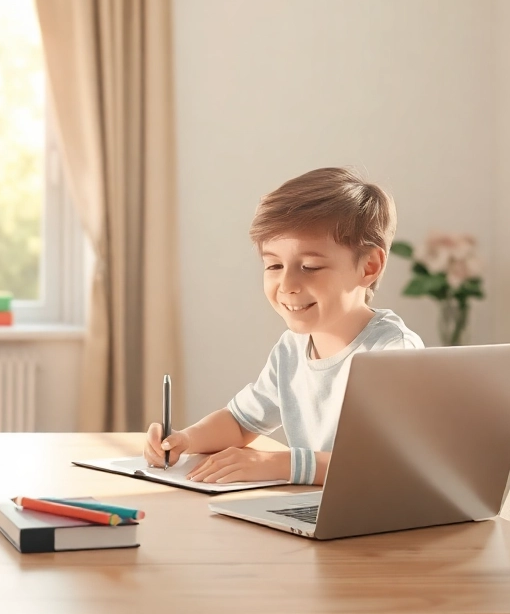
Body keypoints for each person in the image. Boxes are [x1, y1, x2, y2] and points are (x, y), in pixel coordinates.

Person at [145, 167, 423, 485]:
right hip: (312, 508)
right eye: (274, 265)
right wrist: (185, 439)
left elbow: (388, 465)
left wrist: (281, 464)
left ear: (369, 266)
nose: (287, 284)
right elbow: (240, 422)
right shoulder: (292, 348)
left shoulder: (393, 351)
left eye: (310, 266)